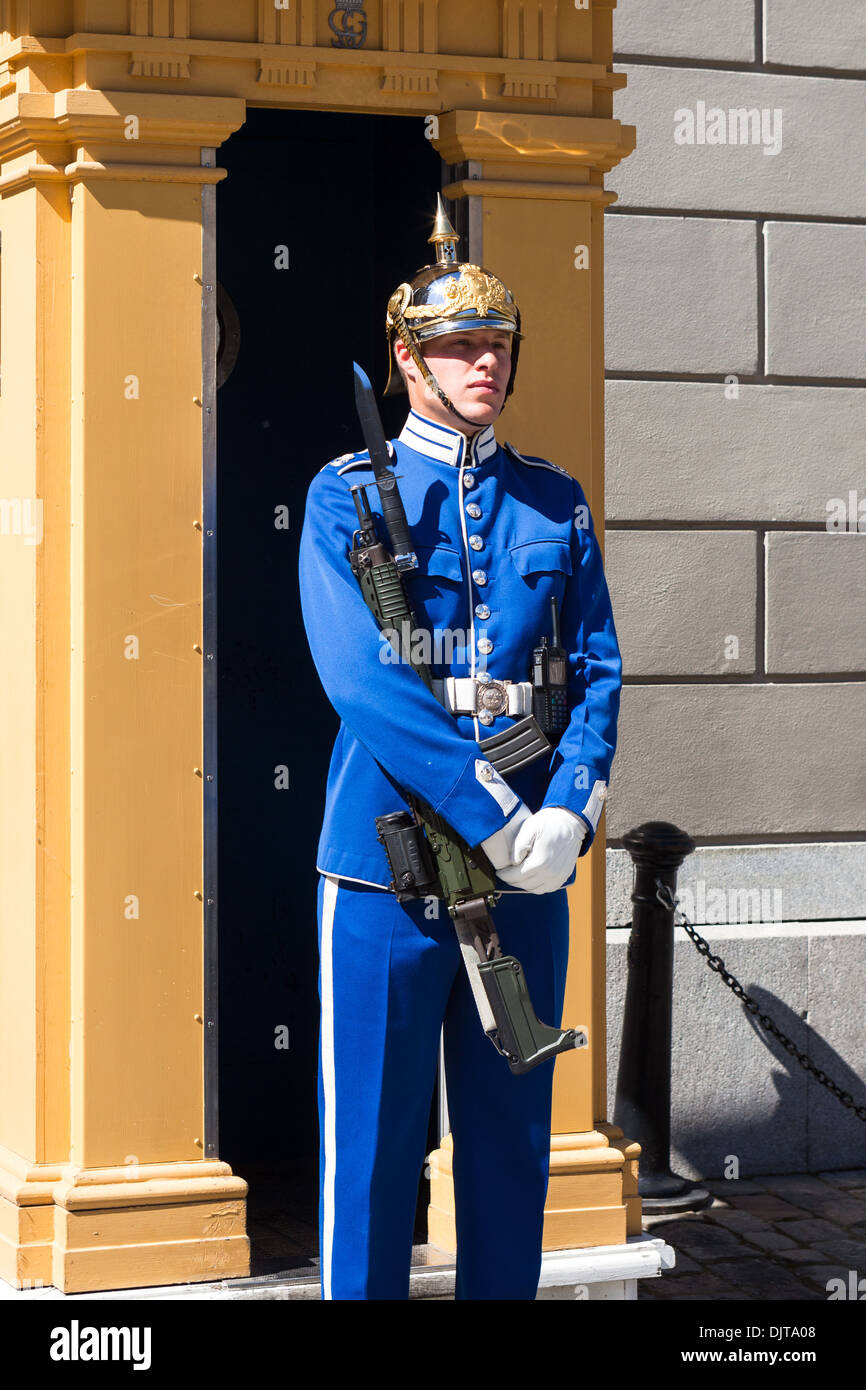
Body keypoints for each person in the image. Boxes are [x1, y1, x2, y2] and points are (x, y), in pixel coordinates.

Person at [298, 197, 622, 1300]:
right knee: (373, 1161)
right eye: (455, 347)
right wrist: (496, 814)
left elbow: (593, 670)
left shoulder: (552, 503)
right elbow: (367, 688)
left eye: (496, 345)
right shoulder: (345, 499)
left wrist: (569, 809)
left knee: (506, 1153)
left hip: (531, 868)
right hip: (385, 868)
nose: (482, 363)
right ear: (406, 361)